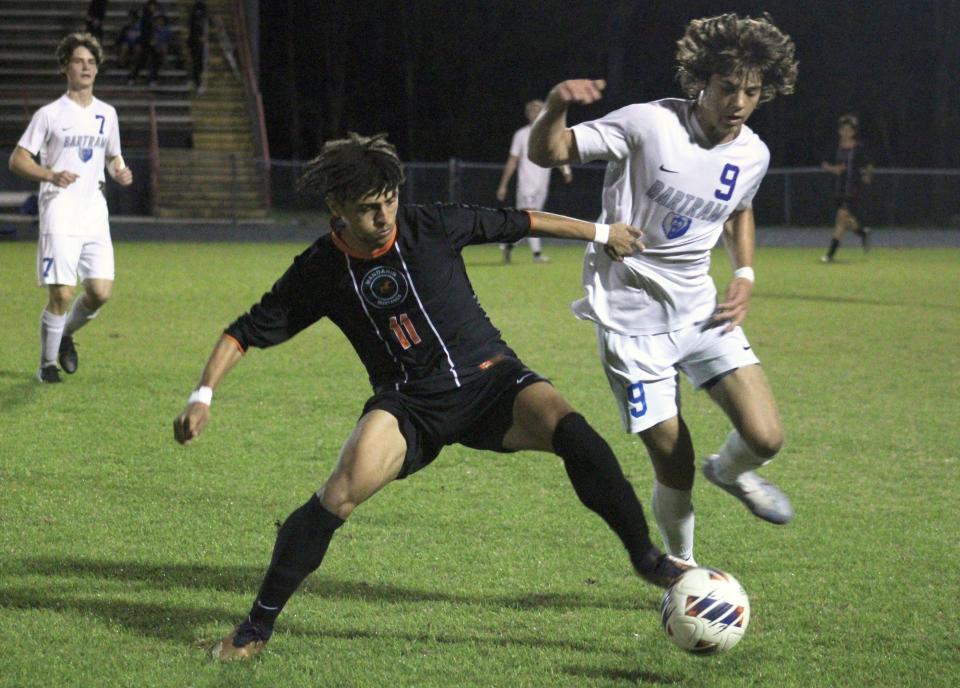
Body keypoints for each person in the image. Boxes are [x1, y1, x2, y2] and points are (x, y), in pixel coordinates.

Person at [173, 132, 691, 661]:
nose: (384, 215)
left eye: (390, 199)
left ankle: (646, 558)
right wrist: (202, 394)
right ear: (337, 208)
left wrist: (603, 232)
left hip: (492, 381)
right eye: (369, 208)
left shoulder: (431, 223)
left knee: (573, 431)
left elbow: (524, 220)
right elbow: (245, 330)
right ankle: (254, 630)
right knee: (337, 495)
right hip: (410, 406)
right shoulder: (320, 269)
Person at [528, 13, 799, 566]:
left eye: (752, 91)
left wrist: (743, 274)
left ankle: (730, 473)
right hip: (631, 325)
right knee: (674, 461)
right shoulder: (647, 125)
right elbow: (548, 153)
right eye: (728, 88)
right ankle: (685, 570)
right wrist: (557, 102)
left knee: (766, 437)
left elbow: (739, 210)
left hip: (701, 313)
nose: (740, 103)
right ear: (701, 80)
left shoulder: (753, 154)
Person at [8, 32, 133, 383]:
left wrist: (119, 170)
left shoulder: (107, 114)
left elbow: (111, 154)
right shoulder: (49, 114)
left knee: (100, 292)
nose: (86, 67)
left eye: (92, 62)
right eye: (79, 61)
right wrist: (49, 173)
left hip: (94, 207)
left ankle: (64, 334)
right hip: (59, 207)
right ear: (65, 67)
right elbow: (18, 160)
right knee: (61, 292)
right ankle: (46, 366)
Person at [496, 99, 573, 263]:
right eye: (532, 110)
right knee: (532, 217)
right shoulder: (521, 135)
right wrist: (503, 185)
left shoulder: (550, 134)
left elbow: (558, 155)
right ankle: (537, 255)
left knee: (527, 220)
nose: (536, 113)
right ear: (528, 114)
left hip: (541, 186)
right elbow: (512, 160)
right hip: (526, 184)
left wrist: (565, 170)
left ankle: (508, 244)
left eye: (539, 110)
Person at [820, 113, 873, 262]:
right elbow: (824, 163)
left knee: (841, 218)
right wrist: (833, 169)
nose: (846, 132)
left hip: (853, 189)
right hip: (838, 190)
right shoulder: (835, 147)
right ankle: (863, 233)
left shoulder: (859, 148)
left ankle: (830, 254)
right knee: (846, 220)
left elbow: (868, 165)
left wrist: (867, 175)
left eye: (849, 130)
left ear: (854, 132)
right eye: (843, 129)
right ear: (839, 131)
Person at [187, 1, 209, 93]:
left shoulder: (201, 18)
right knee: (197, 64)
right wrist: (200, 38)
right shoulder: (195, 18)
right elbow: (193, 31)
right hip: (195, 44)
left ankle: (195, 82)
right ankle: (197, 83)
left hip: (197, 44)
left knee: (199, 64)